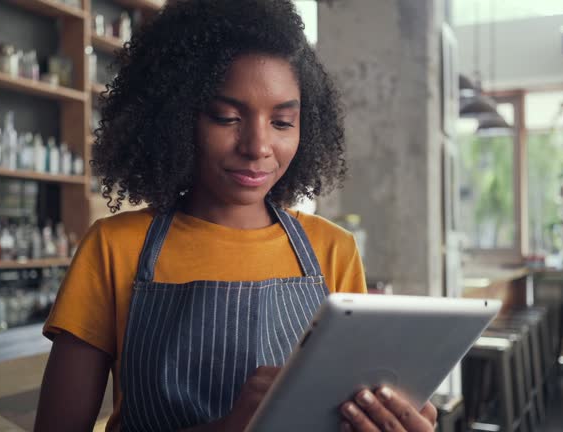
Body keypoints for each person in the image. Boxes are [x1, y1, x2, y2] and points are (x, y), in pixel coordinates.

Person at [34, 1, 437, 431]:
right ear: (174, 115)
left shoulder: (333, 251)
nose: (257, 146)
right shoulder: (114, 249)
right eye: (226, 117)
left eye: (282, 122)